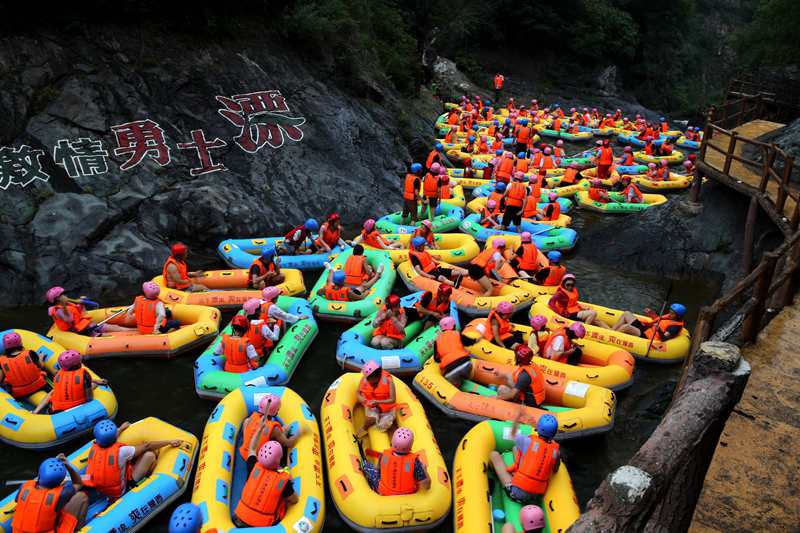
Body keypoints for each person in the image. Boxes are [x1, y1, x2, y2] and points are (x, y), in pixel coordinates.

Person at [83, 419, 183, 501]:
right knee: (150, 455)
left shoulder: (94, 448)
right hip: (122, 491)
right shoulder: (122, 452)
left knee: (132, 458)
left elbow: (108, 441)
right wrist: (170, 442)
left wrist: (121, 429)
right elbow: (147, 446)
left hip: (100, 489)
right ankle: (149, 477)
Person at [489, 414, 560, 503]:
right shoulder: (556, 452)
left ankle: (493, 473)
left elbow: (513, 433)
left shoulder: (527, 441)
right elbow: (555, 470)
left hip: (517, 493)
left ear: (538, 428)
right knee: (516, 448)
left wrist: (517, 418)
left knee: (494, 454)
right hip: (537, 497)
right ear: (554, 433)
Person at [12, 456, 89, 533]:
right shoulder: (62, 494)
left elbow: (17, 500)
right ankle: (79, 530)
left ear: (39, 474)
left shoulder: (24, 486)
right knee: (81, 496)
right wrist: (68, 466)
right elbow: (78, 483)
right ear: (60, 482)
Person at [234, 436, 297, 527]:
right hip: (262, 526)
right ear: (278, 461)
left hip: (239, 519)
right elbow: (294, 500)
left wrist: (260, 428)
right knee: (284, 501)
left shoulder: (253, 466)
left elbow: (252, 448)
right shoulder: (283, 482)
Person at [33, 350, 107, 415]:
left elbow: (73, 380)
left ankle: (36, 411)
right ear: (78, 363)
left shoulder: (59, 373)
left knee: (53, 392)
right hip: (75, 407)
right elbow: (89, 398)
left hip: (55, 409)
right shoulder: (84, 375)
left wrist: (95, 380)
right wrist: (96, 383)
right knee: (93, 385)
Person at [361, 427, 430, 496]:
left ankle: (363, 464)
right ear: (410, 447)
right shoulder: (415, 462)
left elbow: (379, 471)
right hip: (408, 495)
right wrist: (424, 469)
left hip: (385, 492)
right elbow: (426, 484)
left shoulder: (384, 456)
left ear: (392, 442)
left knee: (369, 468)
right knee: (419, 472)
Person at [238, 393, 307, 461]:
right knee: (283, 431)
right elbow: (288, 444)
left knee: (282, 430)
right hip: (257, 459)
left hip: (243, 452)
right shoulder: (275, 429)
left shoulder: (250, 419)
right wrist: (300, 433)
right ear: (276, 411)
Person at [47, 286, 131, 335]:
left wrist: (82, 304)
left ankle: (132, 331)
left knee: (114, 327)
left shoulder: (70, 304)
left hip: (86, 325)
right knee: (107, 333)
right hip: (79, 331)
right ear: (57, 299)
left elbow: (83, 313)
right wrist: (64, 306)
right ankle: (130, 334)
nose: (65, 295)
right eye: (62, 295)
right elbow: (69, 319)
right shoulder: (59, 310)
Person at [0, 331, 47, 399]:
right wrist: (41, 357)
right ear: (20, 343)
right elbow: (42, 366)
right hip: (39, 385)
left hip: (19, 392)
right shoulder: (30, 353)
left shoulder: (2, 361)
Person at [356, 361, 397, 438]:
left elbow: (393, 399)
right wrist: (364, 400)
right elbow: (358, 393)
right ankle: (363, 430)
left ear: (378, 376)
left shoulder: (388, 380)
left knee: (384, 424)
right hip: (372, 406)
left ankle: (392, 429)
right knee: (371, 419)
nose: (371, 384)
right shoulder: (365, 379)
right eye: (369, 382)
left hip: (387, 407)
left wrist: (378, 401)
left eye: (373, 383)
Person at [612, 303, 686, 341]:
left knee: (626, 327)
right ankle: (610, 332)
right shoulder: (670, 317)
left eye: (672, 313)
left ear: (678, 316)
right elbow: (658, 320)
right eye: (670, 311)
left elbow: (664, 338)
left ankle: (610, 336)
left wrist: (659, 330)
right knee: (626, 313)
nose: (670, 314)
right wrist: (651, 313)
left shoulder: (674, 327)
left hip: (647, 337)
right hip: (646, 329)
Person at [433, 316, 472, 386]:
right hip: (466, 364)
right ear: (453, 326)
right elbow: (469, 342)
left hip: (451, 371)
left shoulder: (437, 340)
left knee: (455, 385)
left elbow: (436, 359)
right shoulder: (457, 334)